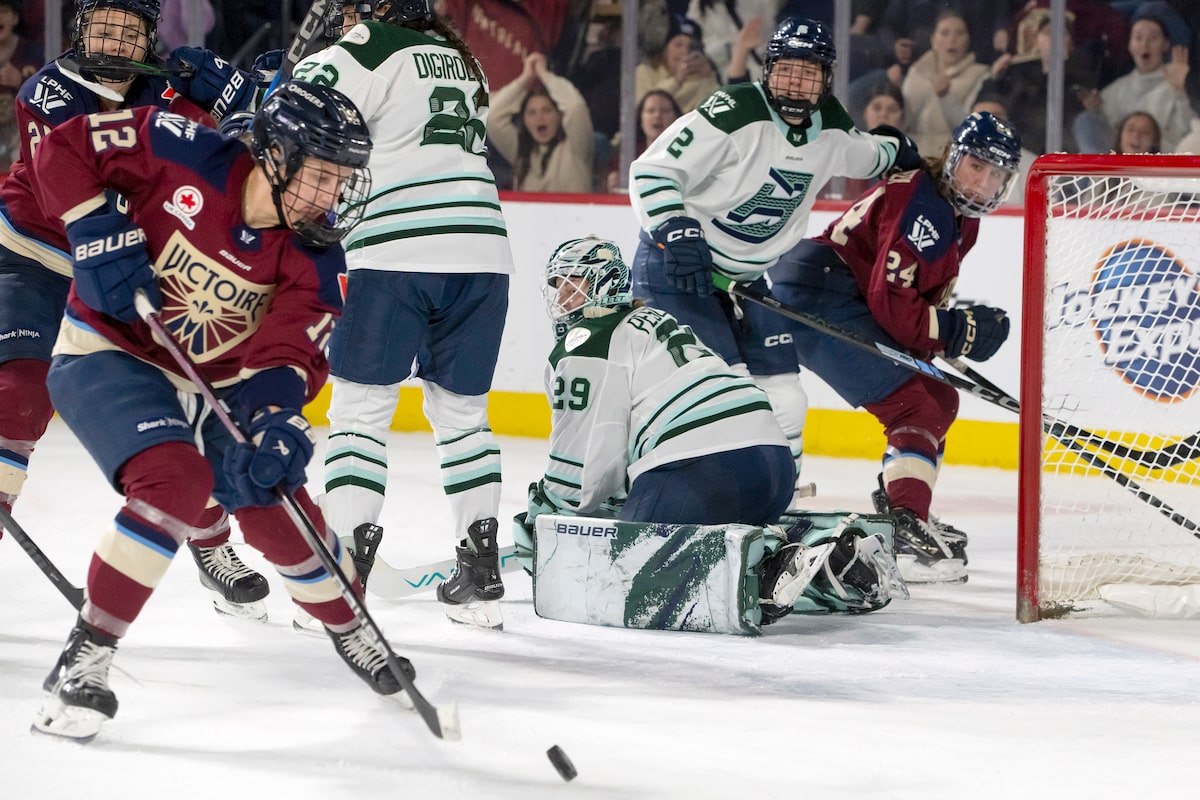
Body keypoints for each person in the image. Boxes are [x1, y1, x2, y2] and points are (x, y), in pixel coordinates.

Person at [29, 82, 391, 743]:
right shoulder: (178, 147)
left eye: (342, 181)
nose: (332, 197)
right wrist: (92, 225)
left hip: (215, 389)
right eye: (319, 176)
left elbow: (286, 354)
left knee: (275, 501)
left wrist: (275, 418)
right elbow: (64, 147)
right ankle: (82, 661)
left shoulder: (317, 257)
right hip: (108, 351)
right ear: (274, 155)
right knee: (176, 480)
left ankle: (349, 623)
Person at [0, 0, 269, 619]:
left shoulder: (163, 85)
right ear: (80, 28)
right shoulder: (51, 93)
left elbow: (256, 157)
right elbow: (91, 194)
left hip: (129, 270)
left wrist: (239, 94)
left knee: (177, 419)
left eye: (130, 30)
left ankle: (211, 544)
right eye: (103, 25)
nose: (115, 41)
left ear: (149, 36)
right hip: (39, 260)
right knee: (17, 396)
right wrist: (196, 117)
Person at [521, 236, 903, 625]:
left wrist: (547, 512)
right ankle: (827, 560)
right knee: (696, 543)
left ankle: (769, 570)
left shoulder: (588, 342)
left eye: (576, 283)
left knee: (625, 583)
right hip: (771, 466)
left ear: (606, 284)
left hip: (700, 470)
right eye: (558, 284)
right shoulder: (655, 321)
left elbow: (587, 467)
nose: (565, 295)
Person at [628, 16, 920, 506]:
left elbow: (866, 155)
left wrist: (903, 151)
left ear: (826, 81)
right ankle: (695, 491)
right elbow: (652, 173)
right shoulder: (734, 110)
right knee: (728, 393)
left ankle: (774, 496)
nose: (796, 83)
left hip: (745, 280)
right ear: (768, 71)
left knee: (786, 396)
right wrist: (675, 227)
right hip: (679, 269)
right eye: (786, 70)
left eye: (809, 74)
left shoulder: (830, 125)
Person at [293, 0, 515, 631]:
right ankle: (481, 576)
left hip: (393, 250)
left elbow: (295, 111)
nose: (341, 18)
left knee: (360, 413)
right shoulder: (462, 60)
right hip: (483, 252)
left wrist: (295, 62)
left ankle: (342, 579)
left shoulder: (371, 43)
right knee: (465, 418)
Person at [769, 111, 1022, 583]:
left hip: (844, 294)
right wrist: (954, 330)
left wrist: (946, 330)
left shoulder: (957, 215)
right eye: (975, 166)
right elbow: (895, 307)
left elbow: (904, 302)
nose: (983, 183)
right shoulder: (925, 205)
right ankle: (904, 533)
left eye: (996, 175)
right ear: (952, 157)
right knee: (914, 409)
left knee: (939, 397)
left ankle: (901, 508)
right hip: (819, 297)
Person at [488, 51, 595, 193]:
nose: (539, 118)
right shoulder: (520, 150)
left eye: (546, 111)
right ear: (524, 120)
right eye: (532, 113)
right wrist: (526, 78)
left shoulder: (577, 146)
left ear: (559, 115)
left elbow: (575, 107)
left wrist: (544, 75)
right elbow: (492, 117)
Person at [901, 9, 994, 156]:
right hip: (914, 155)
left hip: (955, 156)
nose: (952, 40)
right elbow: (904, 120)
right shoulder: (916, 72)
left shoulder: (980, 74)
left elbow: (971, 127)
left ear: (968, 39)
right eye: (945, 33)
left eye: (960, 33)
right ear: (933, 40)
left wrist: (946, 98)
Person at [1098, 10, 1195, 152]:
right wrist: (1095, 110)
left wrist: (1182, 89)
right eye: (1138, 38)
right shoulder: (1113, 91)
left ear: (1166, 44)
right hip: (1120, 169)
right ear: (1130, 45)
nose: (1145, 44)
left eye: (1153, 38)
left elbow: (1190, 132)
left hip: (1167, 167)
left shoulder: (1179, 82)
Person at [636, 14, 720, 112]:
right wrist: (676, 81)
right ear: (666, 48)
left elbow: (712, 112)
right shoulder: (644, 72)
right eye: (678, 45)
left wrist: (709, 79)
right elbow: (642, 109)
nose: (684, 51)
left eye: (691, 47)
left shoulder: (700, 76)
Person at [605, 88, 681, 193]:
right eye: (650, 111)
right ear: (640, 118)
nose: (657, 115)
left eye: (665, 111)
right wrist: (611, 186)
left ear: (677, 118)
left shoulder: (688, 152)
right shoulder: (626, 154)